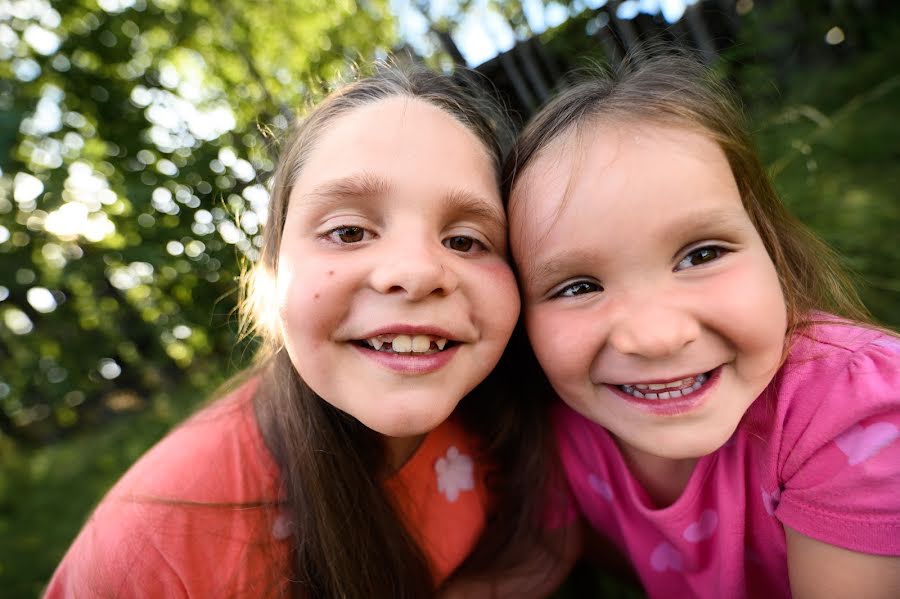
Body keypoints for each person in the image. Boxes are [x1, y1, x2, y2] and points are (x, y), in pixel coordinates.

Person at [45, 64, 568, 598]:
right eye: (347, 231)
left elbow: (549, 541)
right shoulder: (148, 546)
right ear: (270, 271)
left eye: (464, 240)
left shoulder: (522, 409)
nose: (415, 273)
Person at [504, 51, 900, 598]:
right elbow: (540, 559)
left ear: (771, 245)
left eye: (700, 255)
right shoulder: (567, 434)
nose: (656, 337)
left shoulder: (851, 409)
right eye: (578, 287)